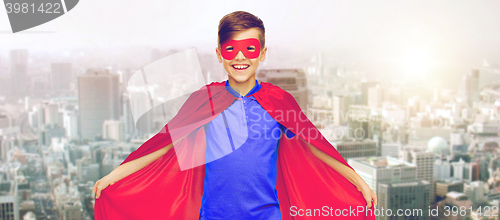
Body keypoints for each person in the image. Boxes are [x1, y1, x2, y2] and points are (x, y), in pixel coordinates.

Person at [94, 11, 377, 220]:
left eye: (249, 49)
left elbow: (316, 148)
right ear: (219, 54)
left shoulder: (279, 101)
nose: (240, 58)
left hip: (268, 215)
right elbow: (165, 143)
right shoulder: (204, 100)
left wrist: (359, 182)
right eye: (231, 49)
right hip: (213, 215)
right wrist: (114, 177)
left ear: (262, 53)